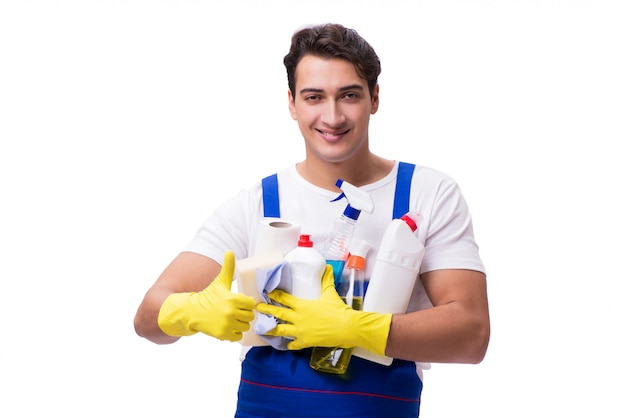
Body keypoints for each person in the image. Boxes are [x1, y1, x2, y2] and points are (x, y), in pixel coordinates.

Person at [134, 23, 490, 417]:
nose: (332, 116)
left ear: (374, 97)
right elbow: (147, 317)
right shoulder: (259, 205)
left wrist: (360, 329)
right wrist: (190, 312)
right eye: (314, 97)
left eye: (349, 95)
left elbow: (471, 335)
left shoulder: (427, 195)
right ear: (292, 103)